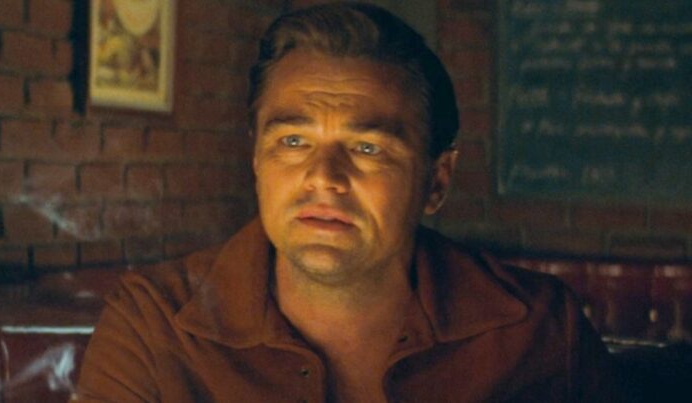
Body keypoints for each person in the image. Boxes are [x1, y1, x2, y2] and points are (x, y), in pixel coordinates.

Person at [74, 3, 618, 402]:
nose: (324, 177)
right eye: (293, 141)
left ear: (436, 182)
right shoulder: (154, 325)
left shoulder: (539, 331)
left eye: (367, 148)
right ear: (257, 159)